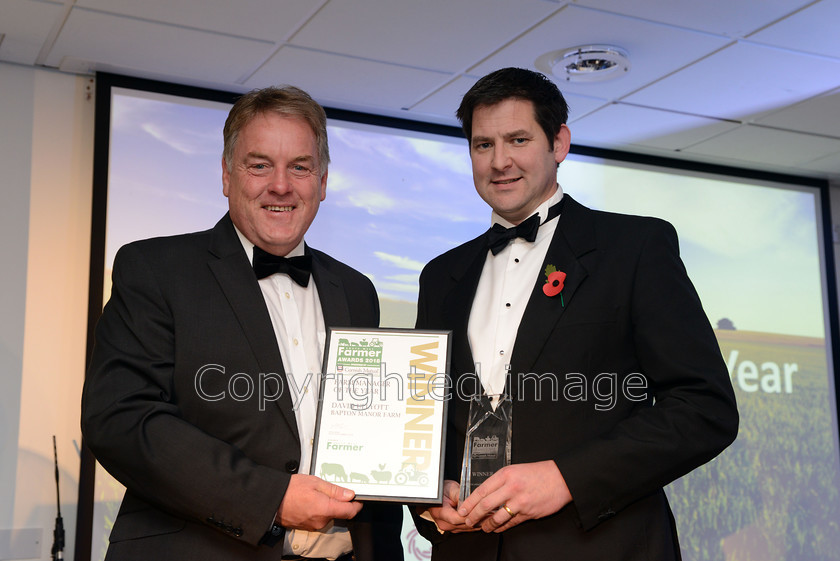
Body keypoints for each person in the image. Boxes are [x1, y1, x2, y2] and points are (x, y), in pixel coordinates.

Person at [413, 67, 739, 560]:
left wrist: (566, 478)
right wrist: (428, 493)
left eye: (518, 139)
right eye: (483, 145)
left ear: (558, 143)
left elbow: (703, 408)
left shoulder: (635, 248)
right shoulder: (440, 276)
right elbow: (426, 416)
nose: (499, 161)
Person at [81, 86, 403, 561]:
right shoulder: (155, 268)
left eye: (300, 166)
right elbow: (122, 420)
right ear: (227, 176)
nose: (281, 185)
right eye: (259, 165)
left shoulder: (356, 290)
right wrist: (271, 498)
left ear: (323, 181)